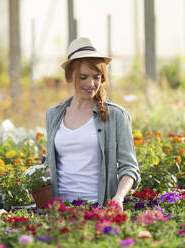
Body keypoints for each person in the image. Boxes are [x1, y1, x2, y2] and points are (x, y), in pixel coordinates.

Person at [44, 37, 140, 210]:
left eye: (96, 77)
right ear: (70, 76)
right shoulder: (54, 114)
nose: (91, 84)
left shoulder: (116, 116)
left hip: (97, 209)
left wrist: (118, 198)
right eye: (83, 77)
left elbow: (130, 168)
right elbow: (50, 164)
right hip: (59, 210)